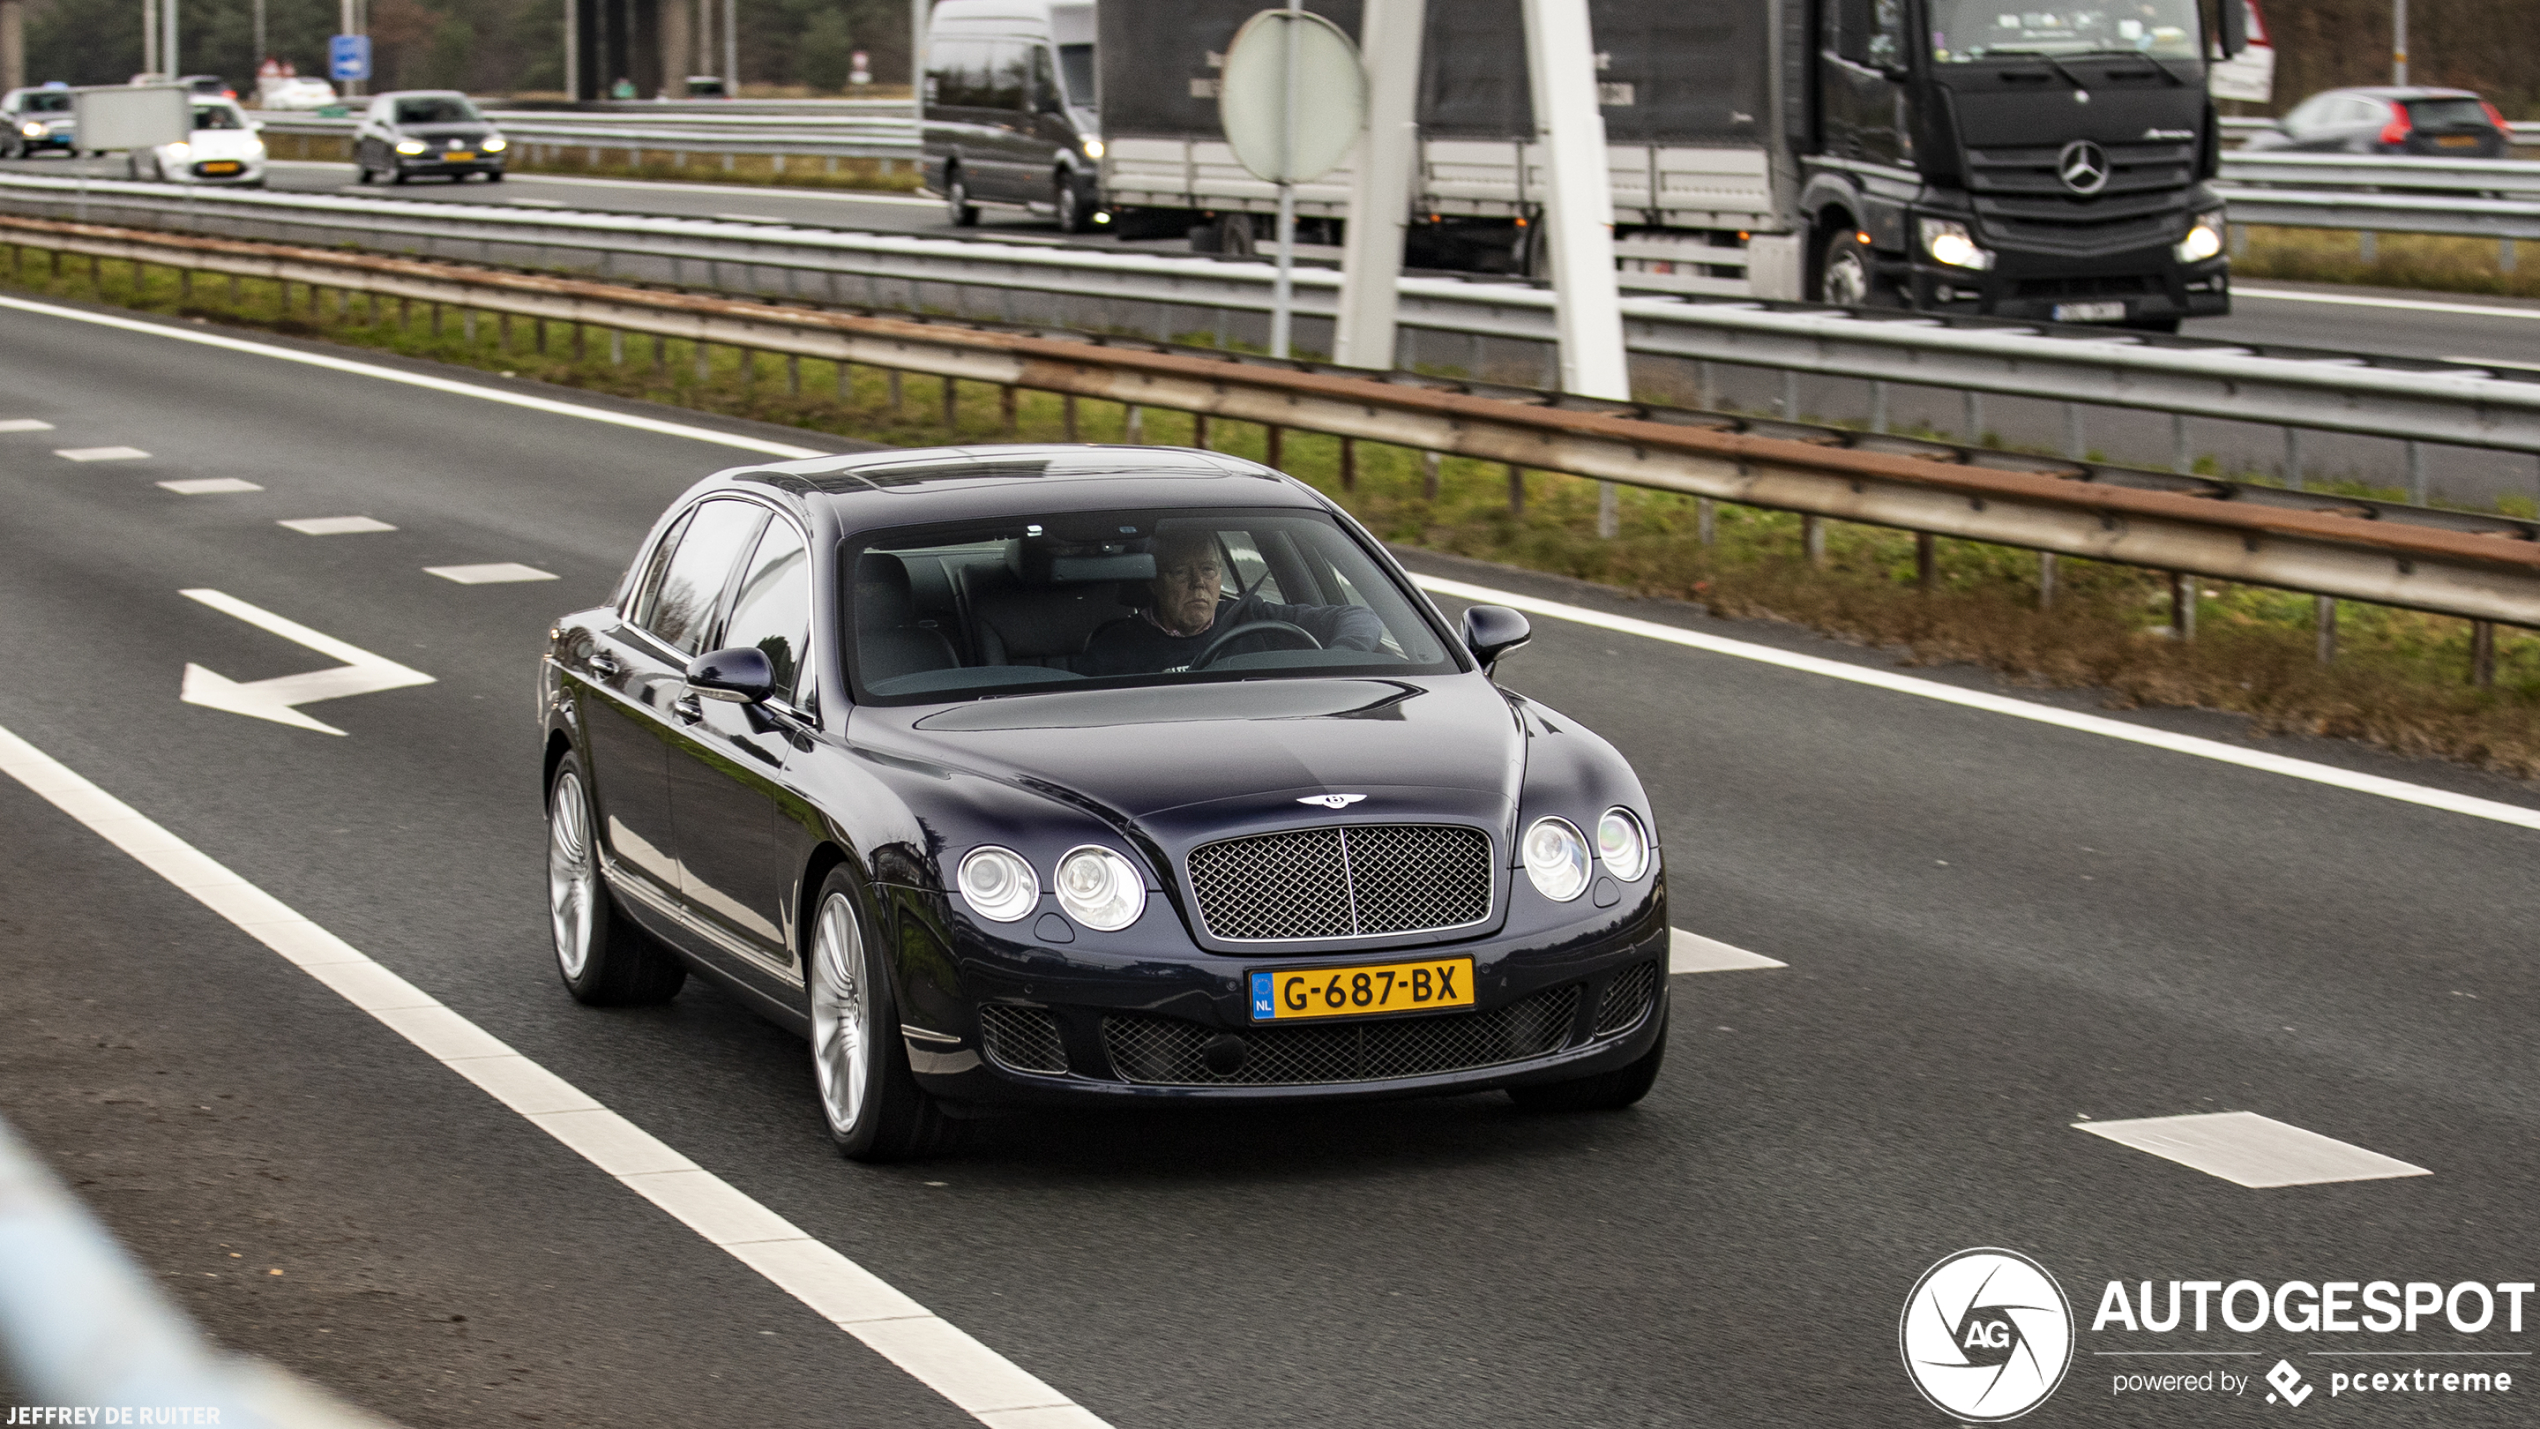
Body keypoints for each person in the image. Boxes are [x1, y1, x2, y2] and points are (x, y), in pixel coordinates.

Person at [1079, 527, 1387, 676]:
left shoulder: (1256, 618)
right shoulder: (1113, 647)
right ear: (1154, 582)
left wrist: (1342, 656)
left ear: (1220, 575)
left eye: (1208, 570)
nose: (1198, 583)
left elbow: (1360, 618)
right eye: (1181, 571)